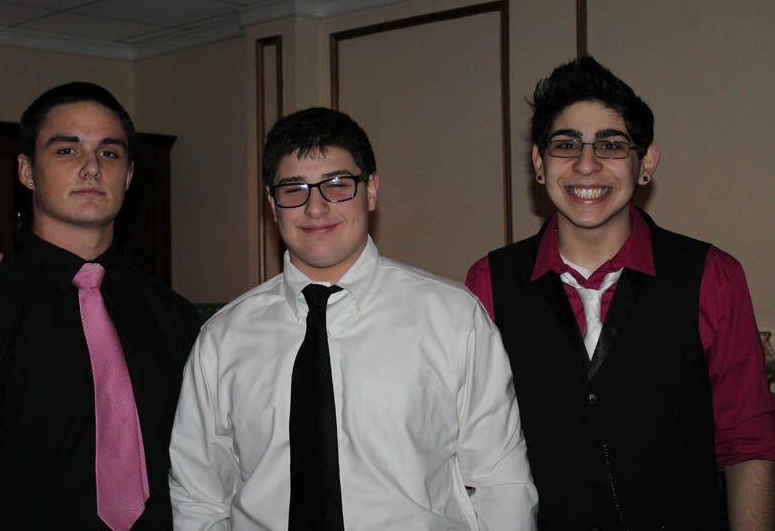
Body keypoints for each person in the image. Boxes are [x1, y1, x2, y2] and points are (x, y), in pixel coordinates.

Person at [169, 107, 537, 529]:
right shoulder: (222, 339)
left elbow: (501, 480)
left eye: (338, 185)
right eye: (294, 190)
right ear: (272, 204)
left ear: (372, 190)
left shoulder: (453, 318)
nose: (315, 208)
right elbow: (199, 497)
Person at [466, 56, 775, 530]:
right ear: (539, 163)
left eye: (611, 145)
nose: (587, 165)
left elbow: (748, 443)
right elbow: (473, 448)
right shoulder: (489, 281)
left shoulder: (714, 276)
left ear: (645, 162)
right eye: (566, 145)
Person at [0, 82, 197, 530]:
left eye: (110, 153)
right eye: (66, 151)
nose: (91, 168)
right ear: (26, 171)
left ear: (130, 175)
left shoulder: (172, 317)